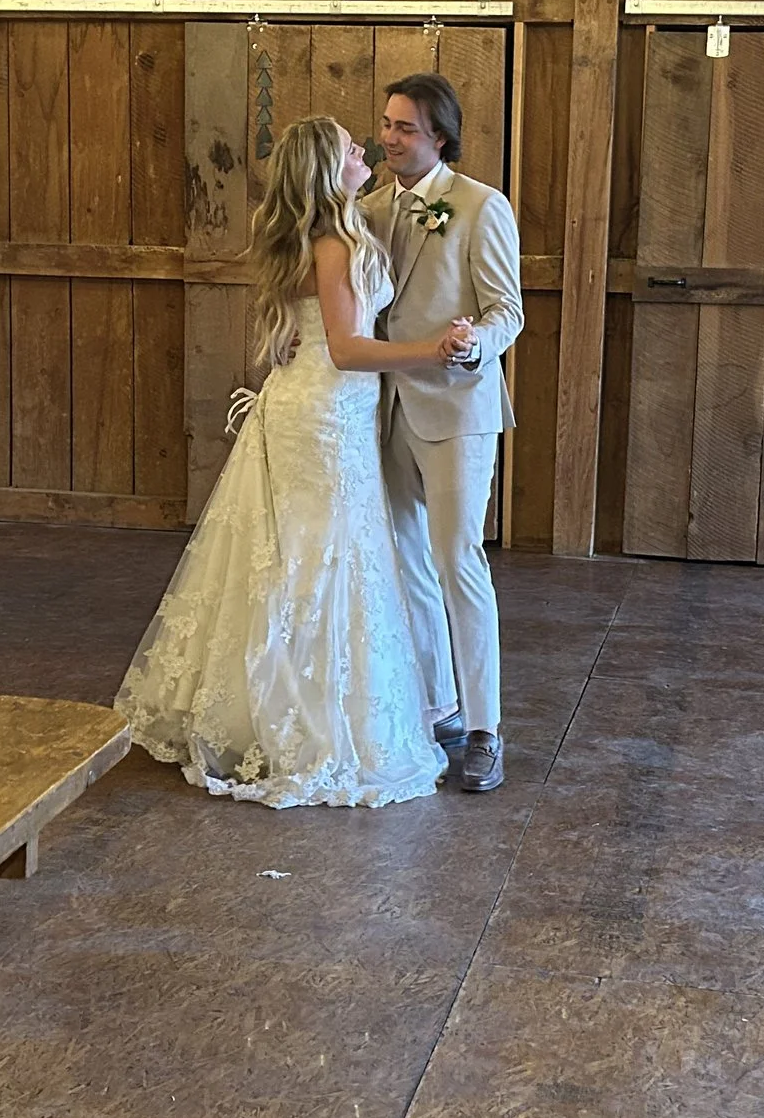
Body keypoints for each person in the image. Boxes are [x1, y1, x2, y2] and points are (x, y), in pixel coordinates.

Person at [114, 116, 470, 808]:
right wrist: (429, 352)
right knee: (317, 561)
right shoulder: (334, 240)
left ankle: (269, 704)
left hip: (315, 405)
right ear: (327, 168)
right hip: (325, 413)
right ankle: (303, 723)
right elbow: (346, 348)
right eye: (348, 147)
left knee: (303, 558)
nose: (363, 149)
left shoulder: (327, 232)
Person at [359, 73, 525, 793]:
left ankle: (487, 730)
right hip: (385, 408)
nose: (389, 138)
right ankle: (440, 706)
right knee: (406, 563)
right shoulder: (366, 210)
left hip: (457, 407)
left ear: (440, 138)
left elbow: (506, 310)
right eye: (387, 124)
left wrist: (473, 342)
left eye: (405, 129)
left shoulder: (481, 207)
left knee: (458, 558)